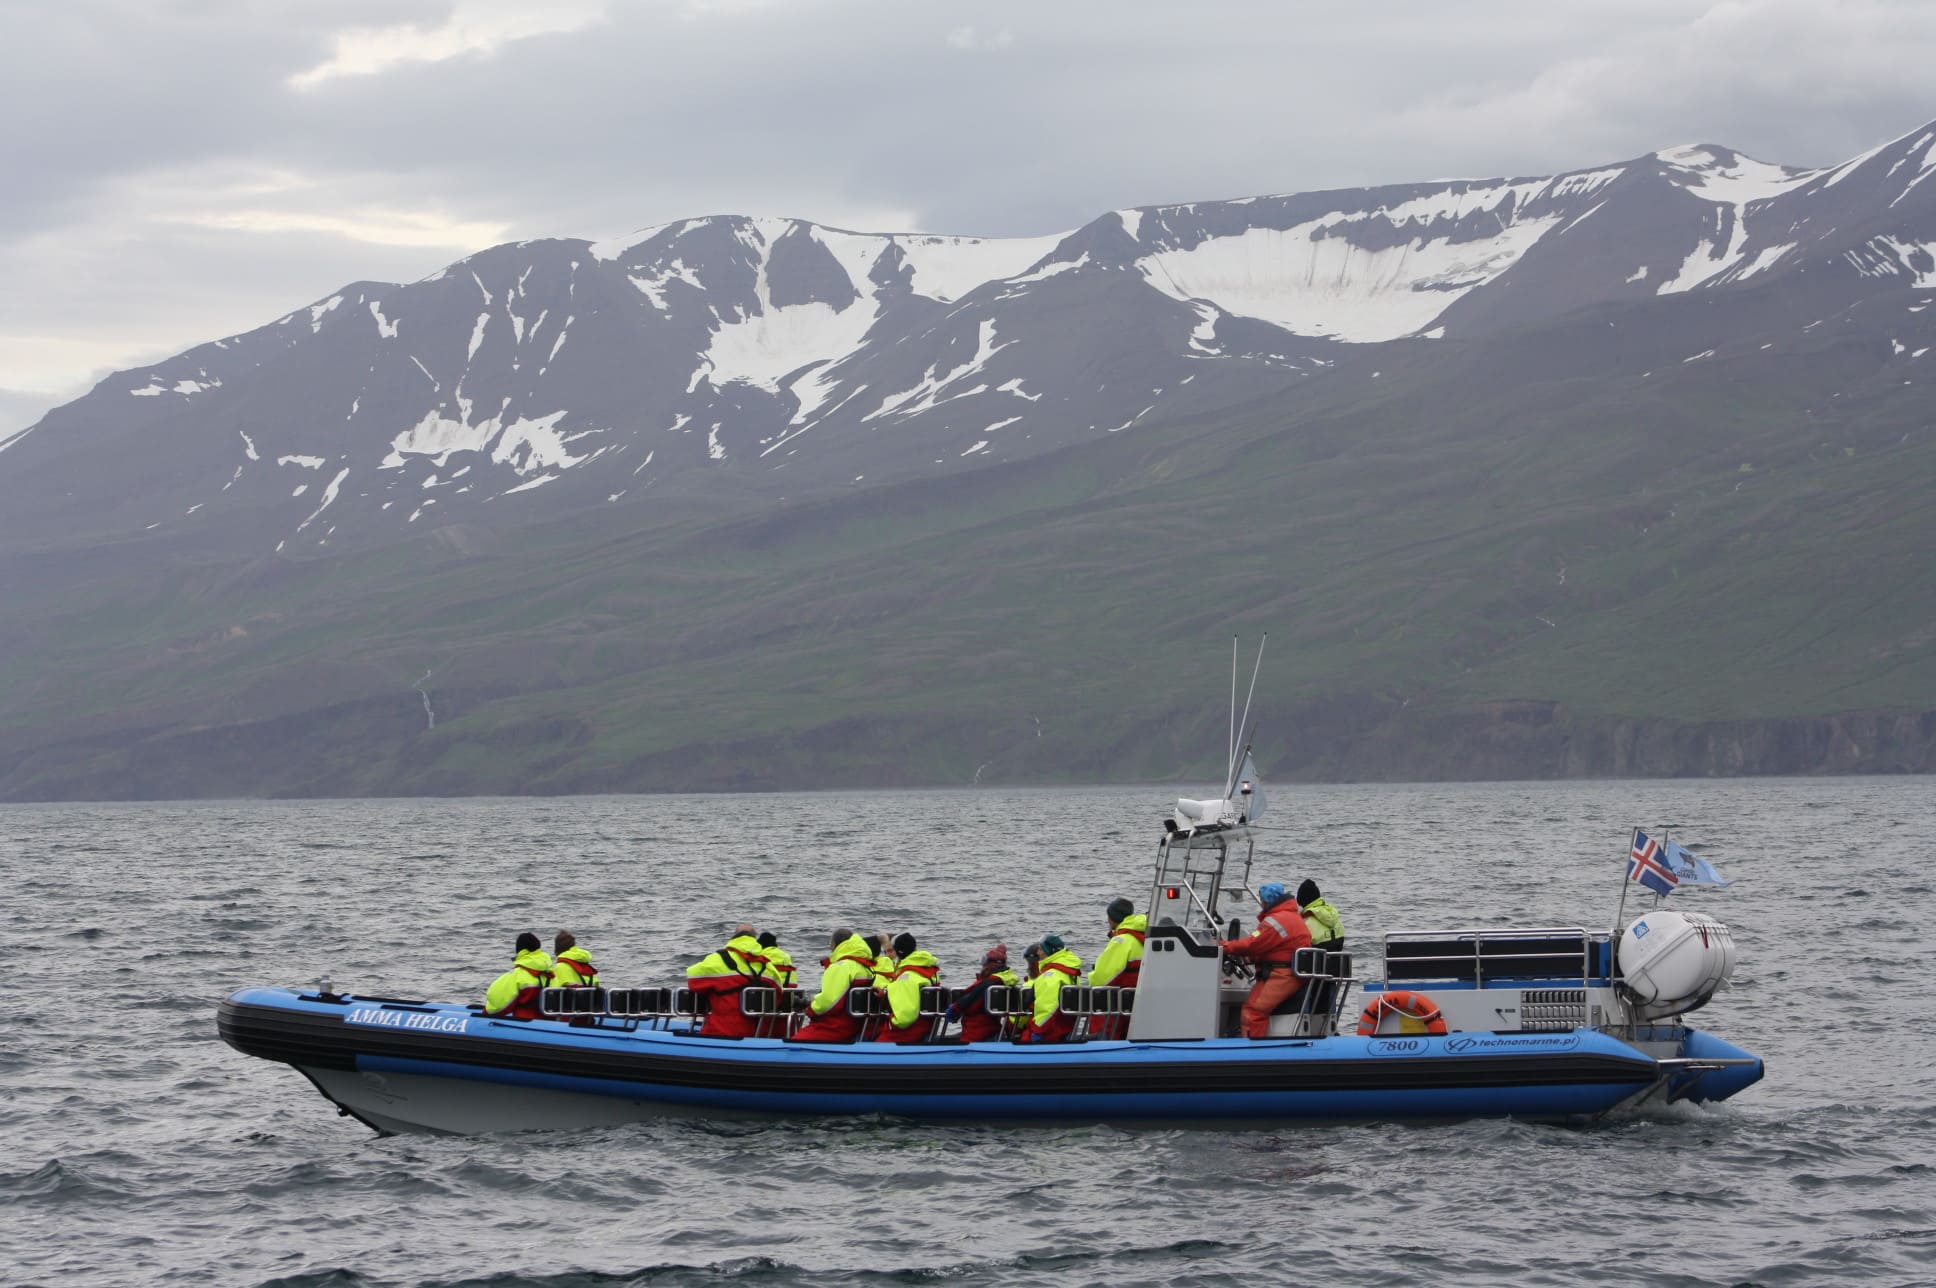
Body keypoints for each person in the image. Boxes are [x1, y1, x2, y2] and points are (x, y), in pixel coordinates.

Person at [1220, 882, 1312, 1039]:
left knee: (1253, 1012)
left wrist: (1224, 946)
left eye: (1262, 900)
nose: (1261, 903)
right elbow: (1273, 948)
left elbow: (1253, 944)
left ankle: (1252, 1051)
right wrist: (1247, 958)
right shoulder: (1291, 916)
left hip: (1281, 974)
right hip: (1289, 972)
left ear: (1266, 901)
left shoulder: (1274, 921)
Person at [685, 923, 775, 1039]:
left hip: (719, 1031)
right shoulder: (768, 966)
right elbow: (777, 996)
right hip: (757, 1034)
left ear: (734, 936)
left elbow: (693, 980)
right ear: (754, 938)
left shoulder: (718, 959)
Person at [789, 930, 876, 1042]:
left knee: (795, 1042)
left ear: (835, 945)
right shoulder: (864, 967)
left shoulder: (840, 967)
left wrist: (810, 1008)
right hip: (857, 1025)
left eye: (830, 943)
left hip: (835, 1026)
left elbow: (828, 1001)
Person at [1088, 896, 1147, 1040]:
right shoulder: (1143, 937)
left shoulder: (1122, 941)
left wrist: (1091, 977)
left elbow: (1102, 978)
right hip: (1135, 1004)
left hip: (1114, 1006)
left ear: (1113, 918)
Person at [1015, 934, 1084, 1043]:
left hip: (1050, 1033)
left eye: (1041, 950)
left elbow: (1047, 1010)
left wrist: (1036, 1033)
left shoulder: (1050, 976)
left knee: (1023, 1038)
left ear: (1049, 952)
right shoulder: (1068, 972)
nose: (1038, 953)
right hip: (1064, 1028)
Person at [876, 932, 942, 1044]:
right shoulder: (927, 971)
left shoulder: (906, 977)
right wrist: (886, 992)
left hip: (907, 1033)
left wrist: (890, 1022)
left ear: (898, 952)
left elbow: (904, 1018)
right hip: (925, 1027)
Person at [946, 944, 1019, 1042]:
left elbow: (969, 1003)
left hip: (976, 1033)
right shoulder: (1002, 982)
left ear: (988, 965)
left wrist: (955, 1009)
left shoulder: (986, 984)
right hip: (992, 1029)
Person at [483, 932, 554, 1020]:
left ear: (519, 950)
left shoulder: (518, 975)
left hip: (524, 1023)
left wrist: (484, 1013)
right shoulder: (552, 971)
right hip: (550, 1022)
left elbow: (497, 1008)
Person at [1298, 879, 1345, 949]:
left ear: (1302, 901)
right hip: (1338, 959)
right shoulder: (1337, 919)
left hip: (1315, 959)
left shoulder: (1306, 923)